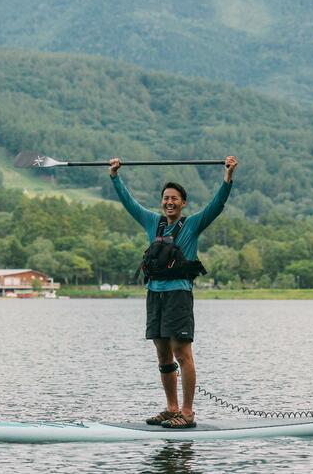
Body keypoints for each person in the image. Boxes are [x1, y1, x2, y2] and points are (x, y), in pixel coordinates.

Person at [109, 155, 237, 429]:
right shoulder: (151, 222)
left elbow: (216, 206)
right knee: (163, 353)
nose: (169, 202)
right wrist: (115, 177)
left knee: (182, 352)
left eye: (174, 199)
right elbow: (129, 203)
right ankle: (171, 408)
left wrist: (227, 179)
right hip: (154, 294)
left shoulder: (191, 225)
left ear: (183, 203)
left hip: (178, 295)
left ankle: (187, 413)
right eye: (166, 198)